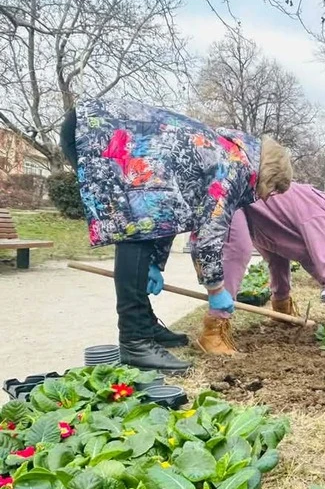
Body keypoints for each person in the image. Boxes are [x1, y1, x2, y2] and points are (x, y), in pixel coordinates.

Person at [60, 99, 292, 373]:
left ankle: (145, 328)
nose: (267, 197)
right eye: (273, 189)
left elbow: (166, 210)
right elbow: (209, 237)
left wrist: (156, 265)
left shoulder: (229, 154)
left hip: (102, 128)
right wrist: (217, 291)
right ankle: (136, 342)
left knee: (145, 220)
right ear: (269, 175)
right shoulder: (234, 168)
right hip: (99, 132)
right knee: (136, 230)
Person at [198, 179, 325, 354]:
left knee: (280, 255)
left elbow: (311, 260)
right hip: (236, 202)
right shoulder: (319, 217)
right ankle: (213, 331)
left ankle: (282, 309)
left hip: (261, 216)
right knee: (238, 251)